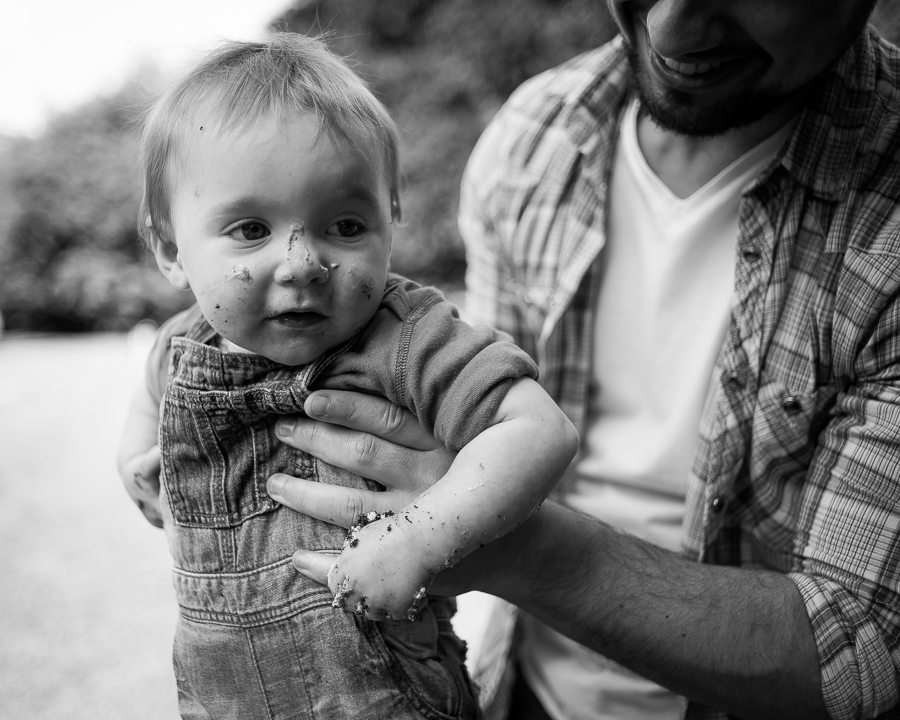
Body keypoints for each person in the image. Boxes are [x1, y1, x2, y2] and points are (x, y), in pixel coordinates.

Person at [247, 1, 900, 719]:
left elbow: (861, 651)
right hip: (523, 688)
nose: (672, 31)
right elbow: (449, 418)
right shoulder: (536, 135)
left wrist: (496, 539)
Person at [117, 33, 578, 719]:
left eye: (345, 224)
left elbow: (540, 431)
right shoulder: (185, 346)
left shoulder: (410, 336)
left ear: (391, 220)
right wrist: (135, 463)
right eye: (250, 230)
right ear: (168, 247)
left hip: (390, 693)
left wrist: (423, 534)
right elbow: (150, 402)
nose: (302, 261)